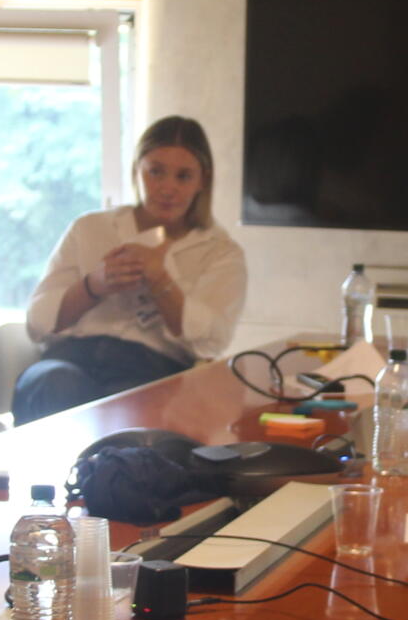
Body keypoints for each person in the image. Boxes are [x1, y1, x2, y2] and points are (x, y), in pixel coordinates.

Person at [13, 115, 247, 424]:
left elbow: (212, 342)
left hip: (152, 371)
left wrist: (161, 282)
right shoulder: (89, 228)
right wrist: (94, 286)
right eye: (156, 172)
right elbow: (38, 323)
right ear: (137, 170)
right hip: (69, 359)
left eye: (183, 176)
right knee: (54, 383)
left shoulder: (220, 253)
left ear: (203, 180)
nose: (168, 188)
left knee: (132, 409)